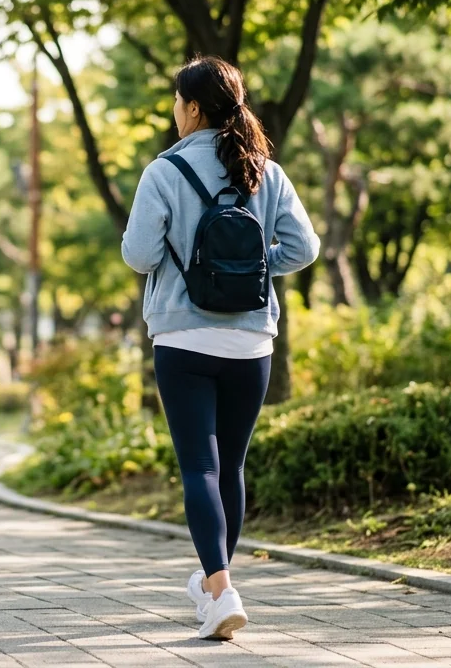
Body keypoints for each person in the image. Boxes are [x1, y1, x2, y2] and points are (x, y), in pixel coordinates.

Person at [121, 56, 319, 641]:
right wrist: (258, 270)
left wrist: (183, 264)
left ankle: (219, 586)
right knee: (229, 465)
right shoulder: (265, 171)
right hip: (252, 338)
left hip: (183, 335)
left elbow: (138, 255)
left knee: (199, 466)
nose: (174, 112)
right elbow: (303, 248)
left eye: (177, 102)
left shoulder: (163, 170)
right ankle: (215, 585)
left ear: (195, 108)